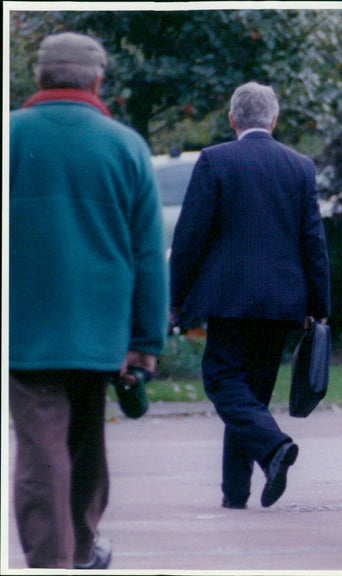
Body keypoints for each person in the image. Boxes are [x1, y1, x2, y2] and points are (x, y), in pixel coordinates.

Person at [9, 32, 169, 569]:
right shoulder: (124, 146)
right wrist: (146, 340)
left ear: (40, 78)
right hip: (101, 331)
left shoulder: (8, 137)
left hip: (23, 326)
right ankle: (77, 549)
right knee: (84, 442)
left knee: (39, 447)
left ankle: (54, 558)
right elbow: (149, 256)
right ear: (98, 80)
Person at [170, 81, 331, 510]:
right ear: (274, 120)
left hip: (229, 298)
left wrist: (176, 300)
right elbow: (313, 241)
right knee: (250, 397)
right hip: (283, 302)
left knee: (223, 382)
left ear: (232, 119)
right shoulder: (300, 166)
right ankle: (235, 493)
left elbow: (189, 237)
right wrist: (319, 306)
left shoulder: (216, 160)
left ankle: (274, 447)